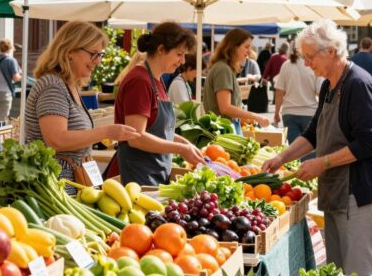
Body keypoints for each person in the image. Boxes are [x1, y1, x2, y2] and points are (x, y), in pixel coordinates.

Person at [261, 20, 372, 276]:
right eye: (305, 56)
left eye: (310, 56)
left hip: (360, 191)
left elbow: (370, 143)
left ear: (331, 51)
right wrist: (282, 157)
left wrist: (321, 164)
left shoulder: (359, 84)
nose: (306, 63)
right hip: (337, 190)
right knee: (339, 272)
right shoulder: (330, 86)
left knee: (360, 274)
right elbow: (314, 132)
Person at [25, 22, 139, 190]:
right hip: (55, 187)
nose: (98, 61)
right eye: (93, 54)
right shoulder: (53, 85)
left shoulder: (69, 85)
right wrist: (107, 132)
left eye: (99, 55)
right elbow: (56, 140)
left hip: (68, 184)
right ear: (69, 51)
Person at [115, 23, 204, 186]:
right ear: (161, 49)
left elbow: (159, 131)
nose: (182, 61)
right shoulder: (139, 81)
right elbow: (136, 137)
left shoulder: (157, 80)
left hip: (156, 172)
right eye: (179, 54)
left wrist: (184, 143)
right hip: (140, 176)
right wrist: (180, 149)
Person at [204, 28, 270, 130]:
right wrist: (255, 116)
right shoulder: (223, 69)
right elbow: (225, 107)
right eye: (246, 47)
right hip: (223, 130)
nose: (249, 51)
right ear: (234, 47)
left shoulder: (224, 68)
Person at [273, 48, 320, 145]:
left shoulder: (286, 65)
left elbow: (279, 91)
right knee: (310, 148)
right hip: (309, 112)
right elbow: (320, 90)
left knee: (293, 151)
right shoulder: (313, 65)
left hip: (289, 112)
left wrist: (276, 112)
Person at [0, 39, 22, 123]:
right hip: (4, 94)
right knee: (1, 121)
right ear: (11, 48)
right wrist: (22, 75)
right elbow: (15, 78)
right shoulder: (11, 60)